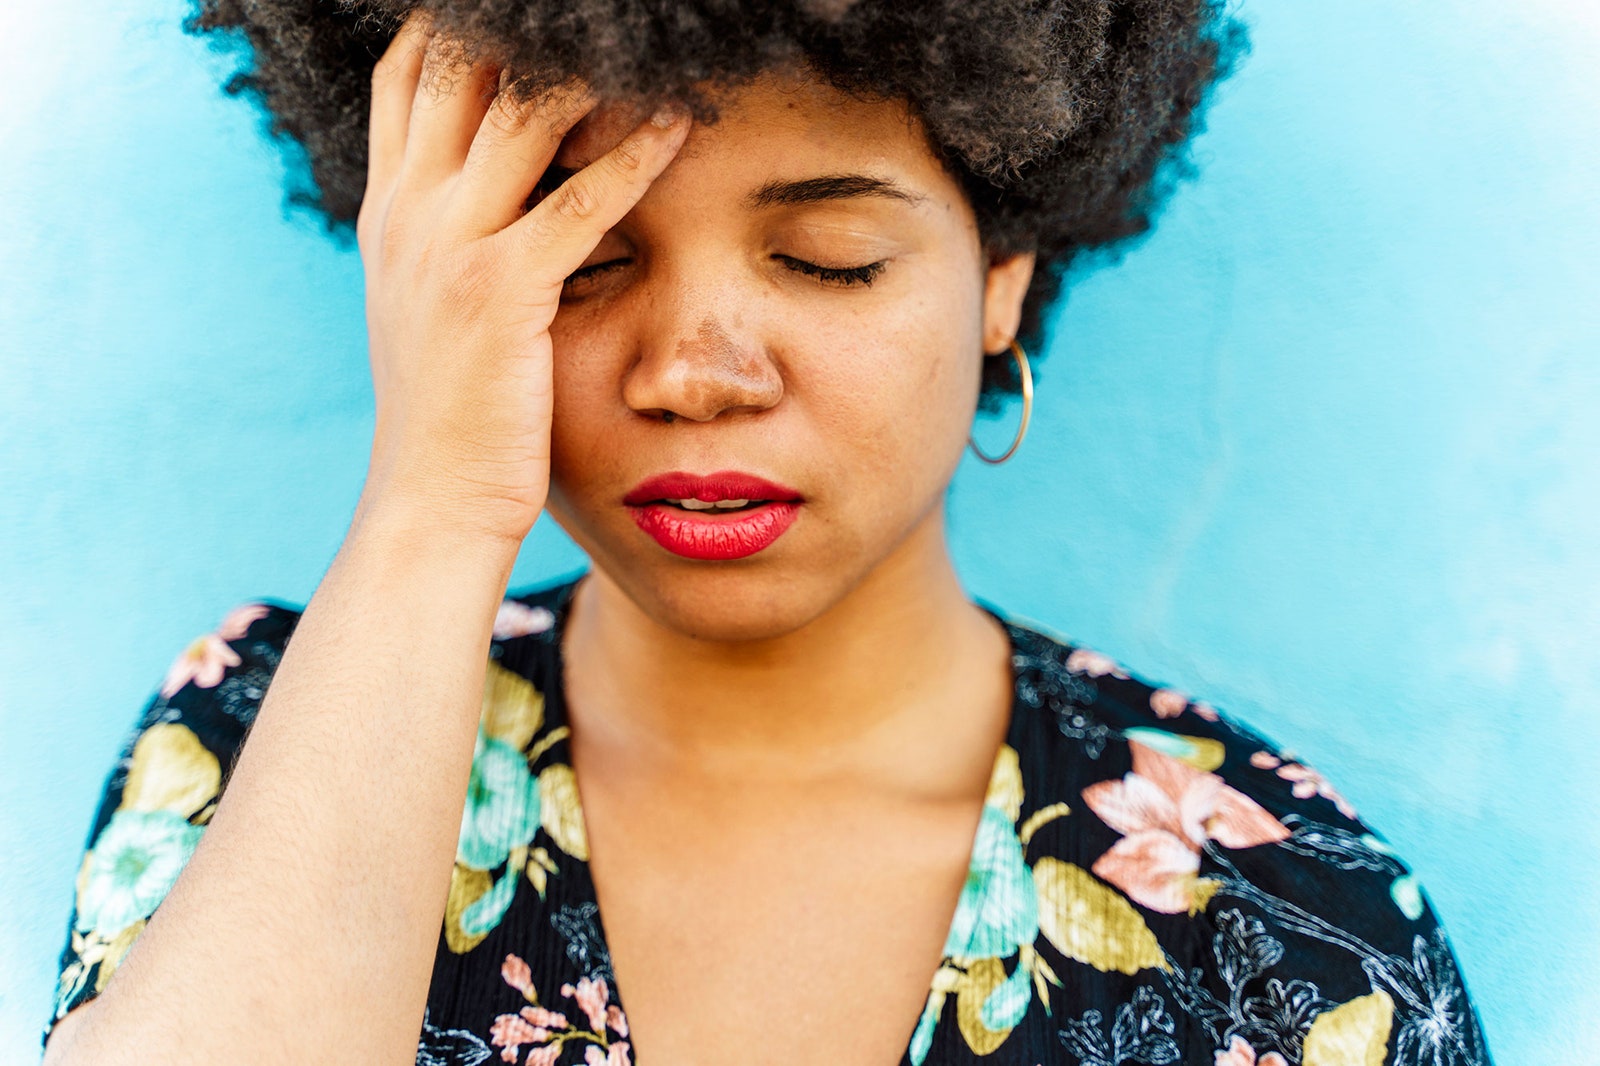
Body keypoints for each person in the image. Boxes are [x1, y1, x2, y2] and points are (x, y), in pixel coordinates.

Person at [41, 2, 1493, 1064]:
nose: (696, 370)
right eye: (585, 260)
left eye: (827, 259)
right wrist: (434, 499)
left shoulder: (1286, 915)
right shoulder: (250, 745)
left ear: (1001, 271)